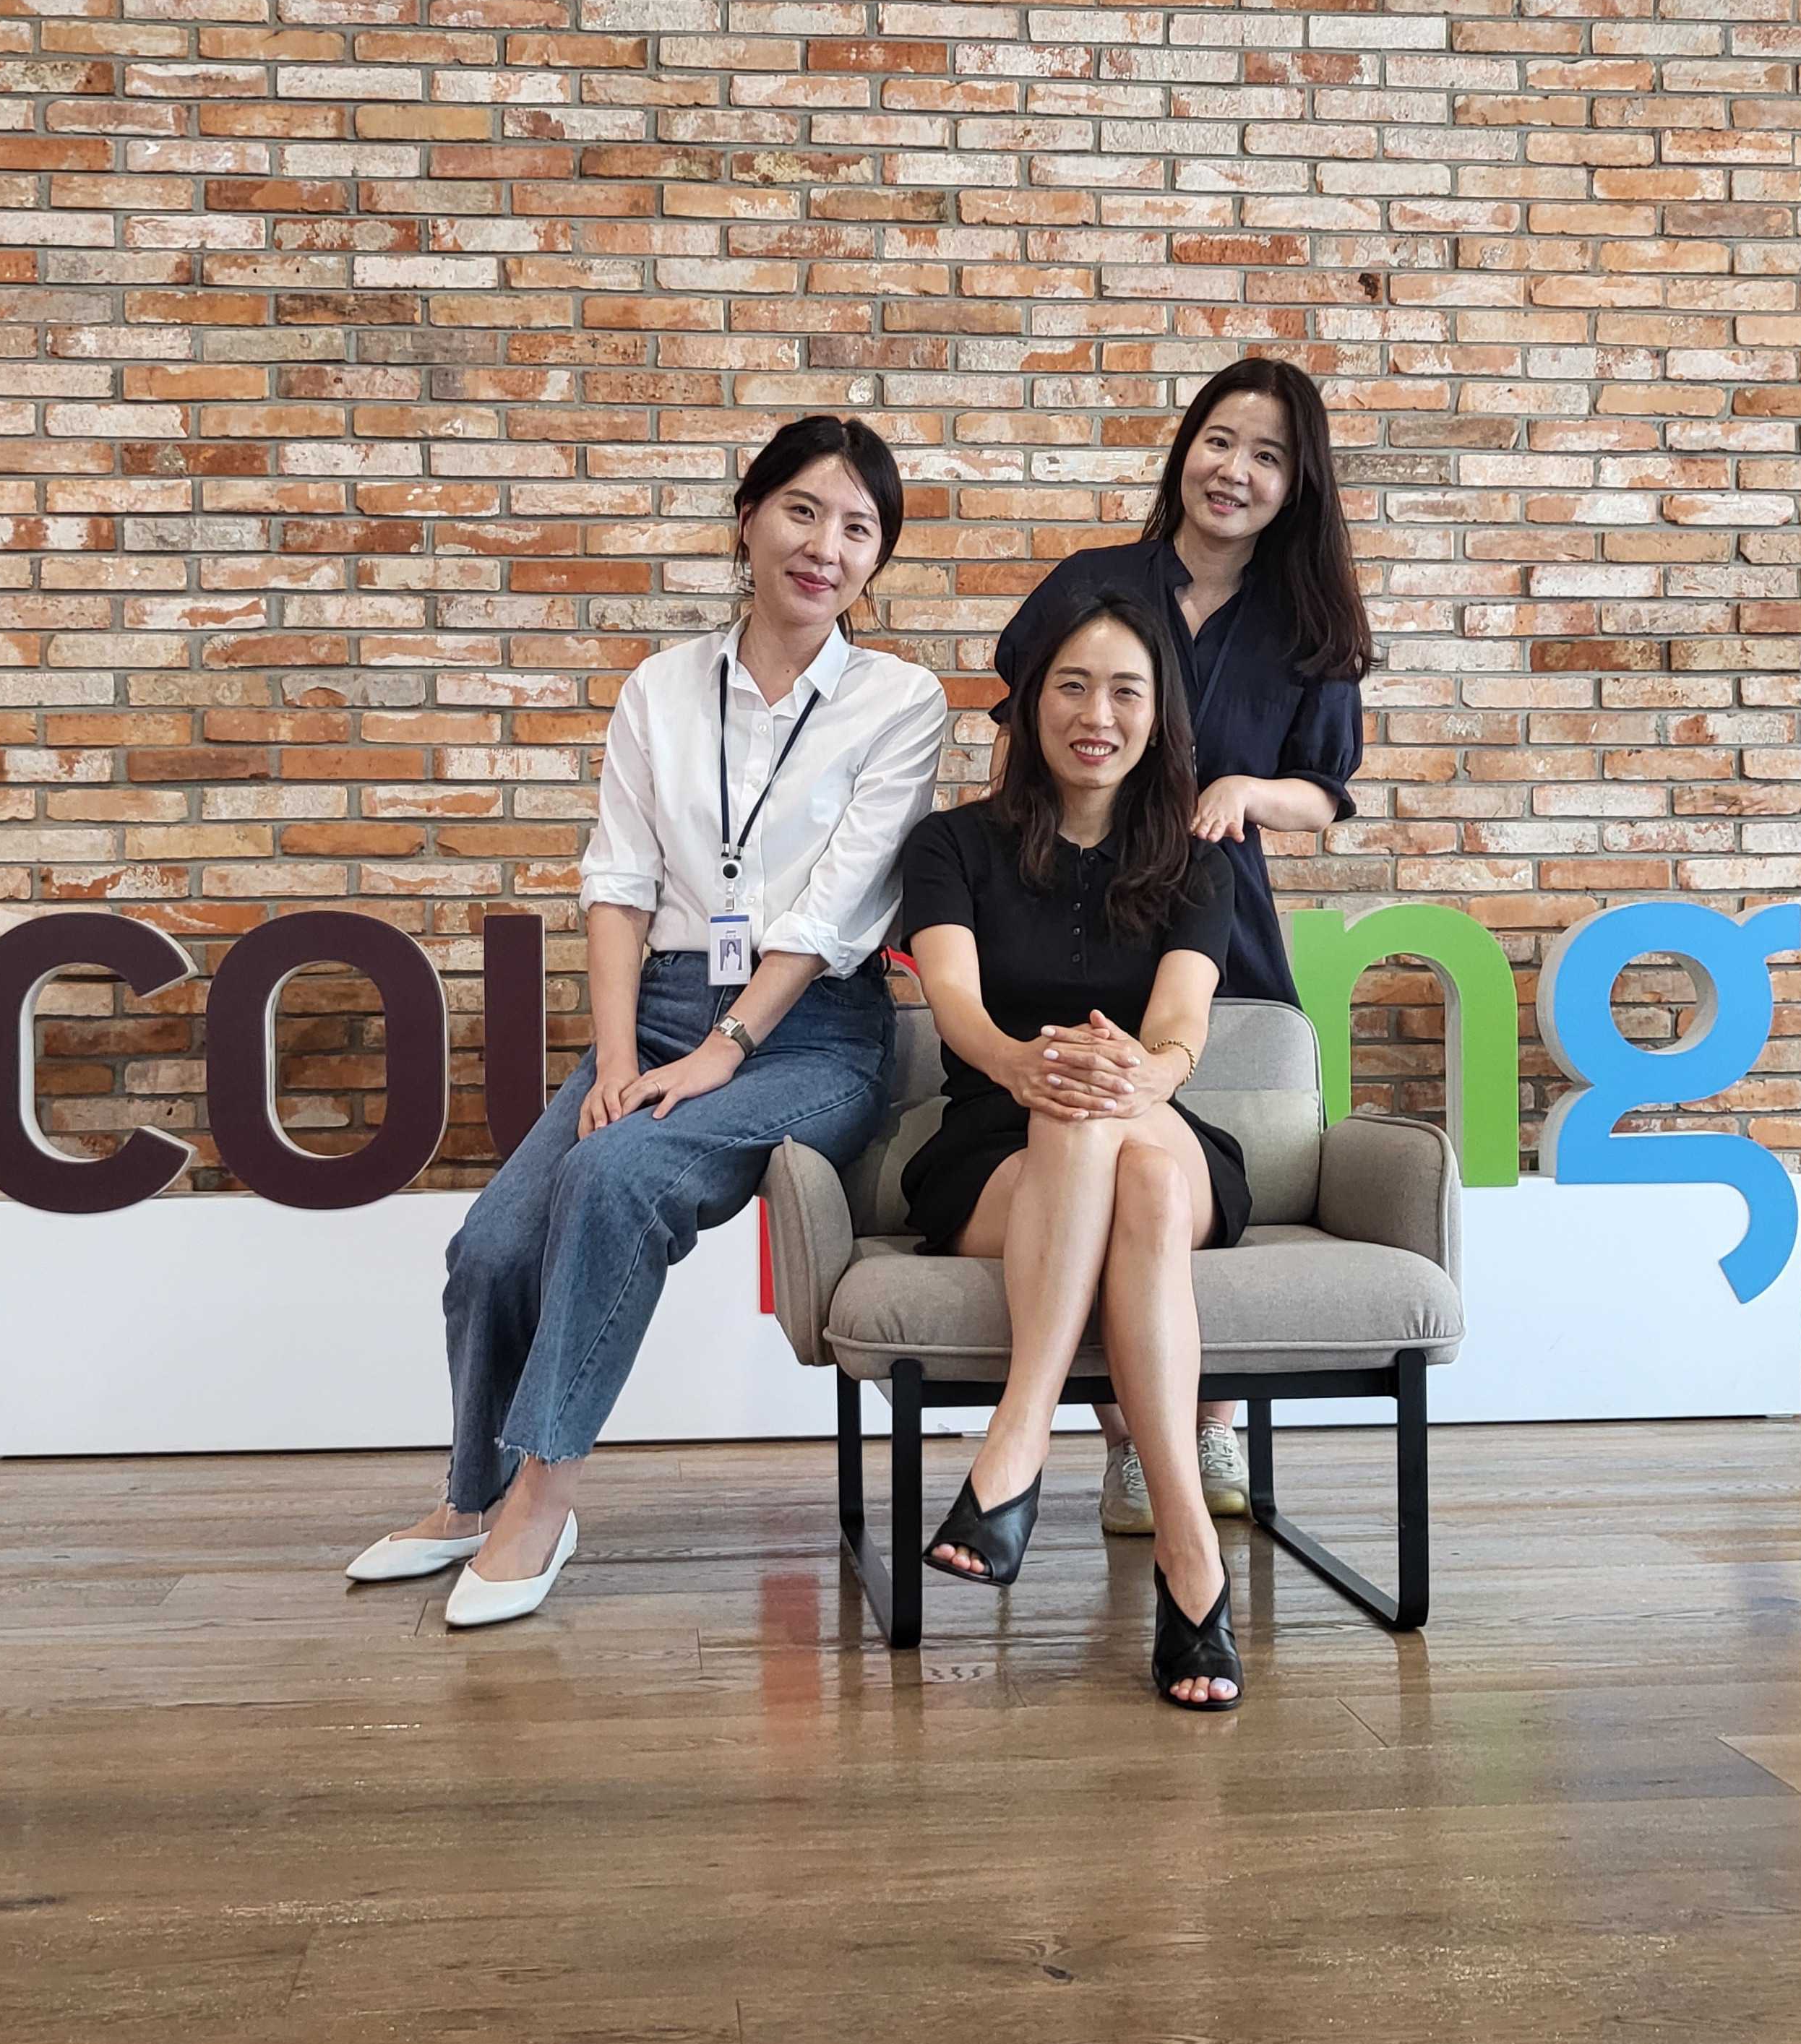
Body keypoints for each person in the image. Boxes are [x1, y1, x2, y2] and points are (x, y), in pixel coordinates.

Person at [344, 416, 947, 1626]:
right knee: (492, 1248)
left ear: (876, 562)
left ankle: (542, 1505)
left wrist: (726, 1050)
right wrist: (619, 1058)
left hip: (812, 1035)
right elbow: (616, 887)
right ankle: (472, 1494)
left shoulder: (901, 701)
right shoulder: (661, 688)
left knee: (618, 1177)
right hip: (662, 1007)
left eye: (858, 528)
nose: (824, 546)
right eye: (802, 511)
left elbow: (834, 911)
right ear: (748, 518)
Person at [989, 355, 1375, 1539]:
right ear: (1184, 448)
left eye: (1267, 455)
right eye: (1220, 441)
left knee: (1180, 1168)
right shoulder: (1097, 585)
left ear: (1296, 481)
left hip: (1218, 936)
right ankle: (1123, 1447)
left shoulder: (1311, 626)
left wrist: (1252, 789)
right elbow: (1021, 740)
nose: (1236, 471)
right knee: (1097, 1158)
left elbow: (1330, 798)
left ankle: (1201, 1430)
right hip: (1073, 920)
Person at [898, 585, 1248, 1710]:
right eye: (1074, 685)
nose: (1098, 712)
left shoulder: (1198, 860)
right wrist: (1019, 1062)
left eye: (1127, 691)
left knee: (1118, 1120)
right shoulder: (952, 846)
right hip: (998, 1147)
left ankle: (1015, 1451)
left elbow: (1182, 1021)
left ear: (1159, 719)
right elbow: (951, 995)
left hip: (1156, 1117)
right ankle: (1192, 1563)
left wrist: (1147, 1073)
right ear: (1031, 702)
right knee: (1096, 1132)